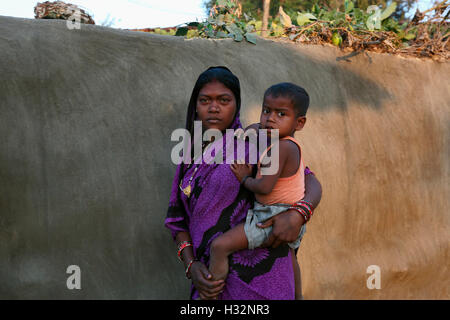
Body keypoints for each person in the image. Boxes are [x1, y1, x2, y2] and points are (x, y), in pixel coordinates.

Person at [165, 66, 322, 300]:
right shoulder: (189, 159)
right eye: (205, 100)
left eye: (224, 100)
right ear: (195, 107)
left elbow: (309, 179)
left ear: (236, 105)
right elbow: (177, 222)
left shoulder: (258, 142)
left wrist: (300, 213)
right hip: (210, 281)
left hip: (264, 279)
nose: (214, 107)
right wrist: (191, 265)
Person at [208, 82, 312, 300]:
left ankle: (212, 294)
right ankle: (298, 296)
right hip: (286, 214)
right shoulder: (281, 141)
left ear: (299, 122)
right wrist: (249, 131)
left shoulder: (282, 148)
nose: (270, 118)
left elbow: (264, 188)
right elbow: (256, 129)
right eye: (266, 111)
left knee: (219, 247)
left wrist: (244, 178)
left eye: (280, 114)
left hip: (271, 218)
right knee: (290, 257)